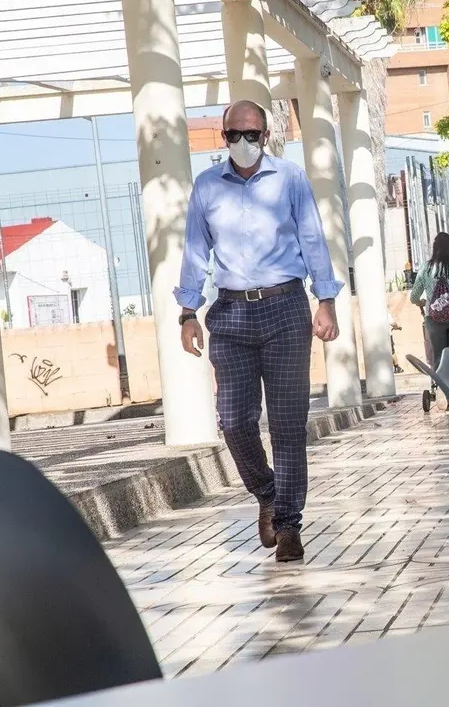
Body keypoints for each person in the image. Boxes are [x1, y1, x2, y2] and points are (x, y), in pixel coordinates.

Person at [176, 100, 341, 564]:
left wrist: (325, 300)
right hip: (230, 313)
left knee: (288, 425)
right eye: (234, 135)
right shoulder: (207, 186)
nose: (243, 142)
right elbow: (195, 251)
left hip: (285, 307)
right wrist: (187, 313)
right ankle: (267, 492)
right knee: (233, 421)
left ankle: (289, 526)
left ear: (266, 136)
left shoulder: (291, 179)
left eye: (252, 134)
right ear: (223, 137)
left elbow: (313, 239)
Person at [410, 232, 449, 370]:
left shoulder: (425, 268)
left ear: (435, 248)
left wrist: (422, 302)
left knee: (438, 355)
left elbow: (413, 297)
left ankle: (440, 382)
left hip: (433, 318)